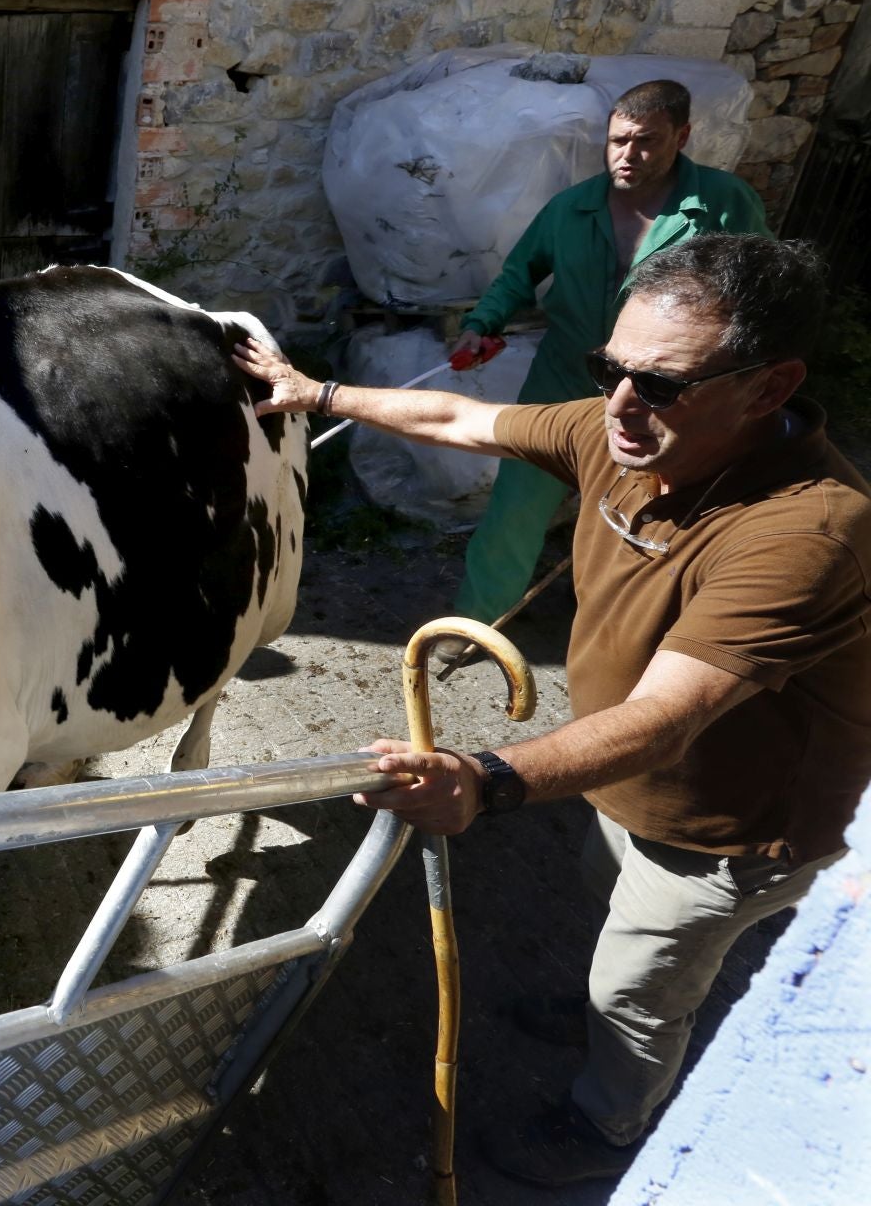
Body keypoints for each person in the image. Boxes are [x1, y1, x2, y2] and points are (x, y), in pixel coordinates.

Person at [232, 234, 871, 1187]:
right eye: (607, 369)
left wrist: (487, 779)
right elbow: (459, 415)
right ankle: (602, 1018)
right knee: (604, 899)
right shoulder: (630, 435)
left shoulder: (808, 532)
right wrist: (315, 393)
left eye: (659, 383)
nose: (618, 404)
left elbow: (667, 717)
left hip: (727, 828)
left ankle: (610, 1123)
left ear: (769, 388)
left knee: (638, 991)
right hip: (625, 782)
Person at [444, 80, 772, 649]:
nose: (627, 155)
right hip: (564, 375)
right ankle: (478, 622)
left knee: (650, 503)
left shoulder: (722, 203)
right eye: (618, 140)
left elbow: (760, 287)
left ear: (682, 136)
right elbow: (519, 273)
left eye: (646, 141)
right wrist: (483, 323)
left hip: (663, 388)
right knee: (517, 501)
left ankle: (631, 624)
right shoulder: (571, 208)